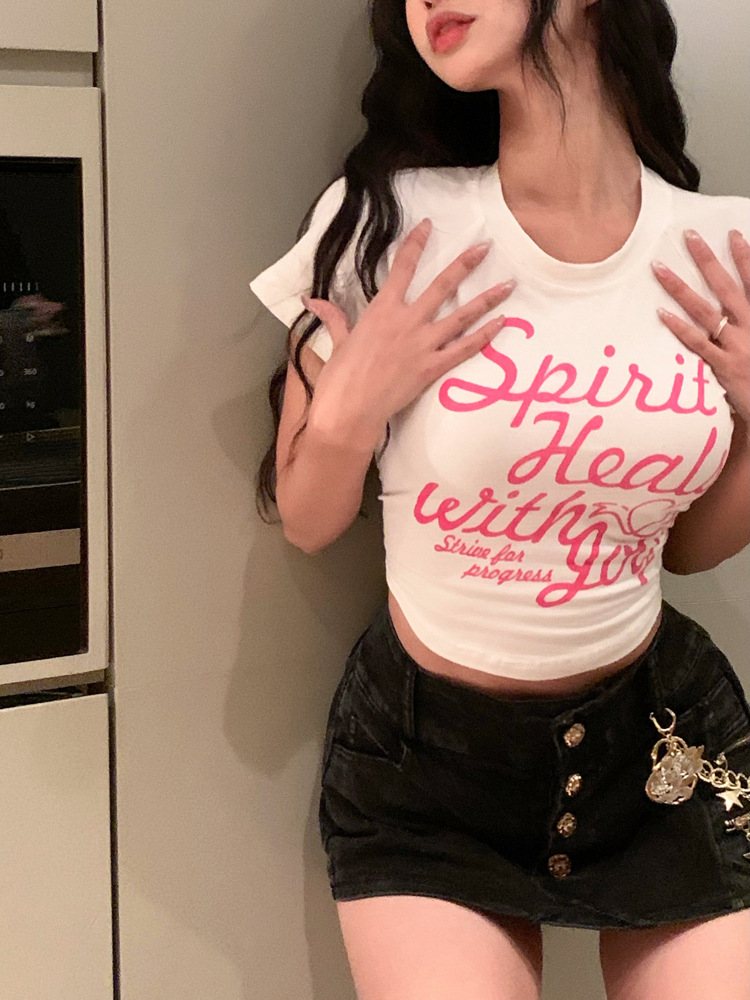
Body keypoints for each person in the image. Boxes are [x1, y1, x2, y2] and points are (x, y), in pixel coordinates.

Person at [249, 1, 750, 996]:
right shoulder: (390, 222)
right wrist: (351, 409)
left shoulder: (725, 247)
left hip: (660, 749)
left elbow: (688, 549)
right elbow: (308, 518)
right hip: (428, 768)